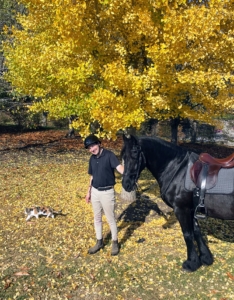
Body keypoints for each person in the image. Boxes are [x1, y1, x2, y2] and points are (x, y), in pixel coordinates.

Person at [84, 134, 124, 256]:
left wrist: (127, 173)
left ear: (98, 143)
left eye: (93, 146)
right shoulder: (92, 159)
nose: (91, 149)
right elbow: (92, 176)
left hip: (107, 192)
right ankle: (99, 242)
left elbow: (119, 168)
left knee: (111, 219)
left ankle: (115, 242)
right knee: (97, 218)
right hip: (95, 192)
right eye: (89, 148)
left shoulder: (109, 155)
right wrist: (89, 192)